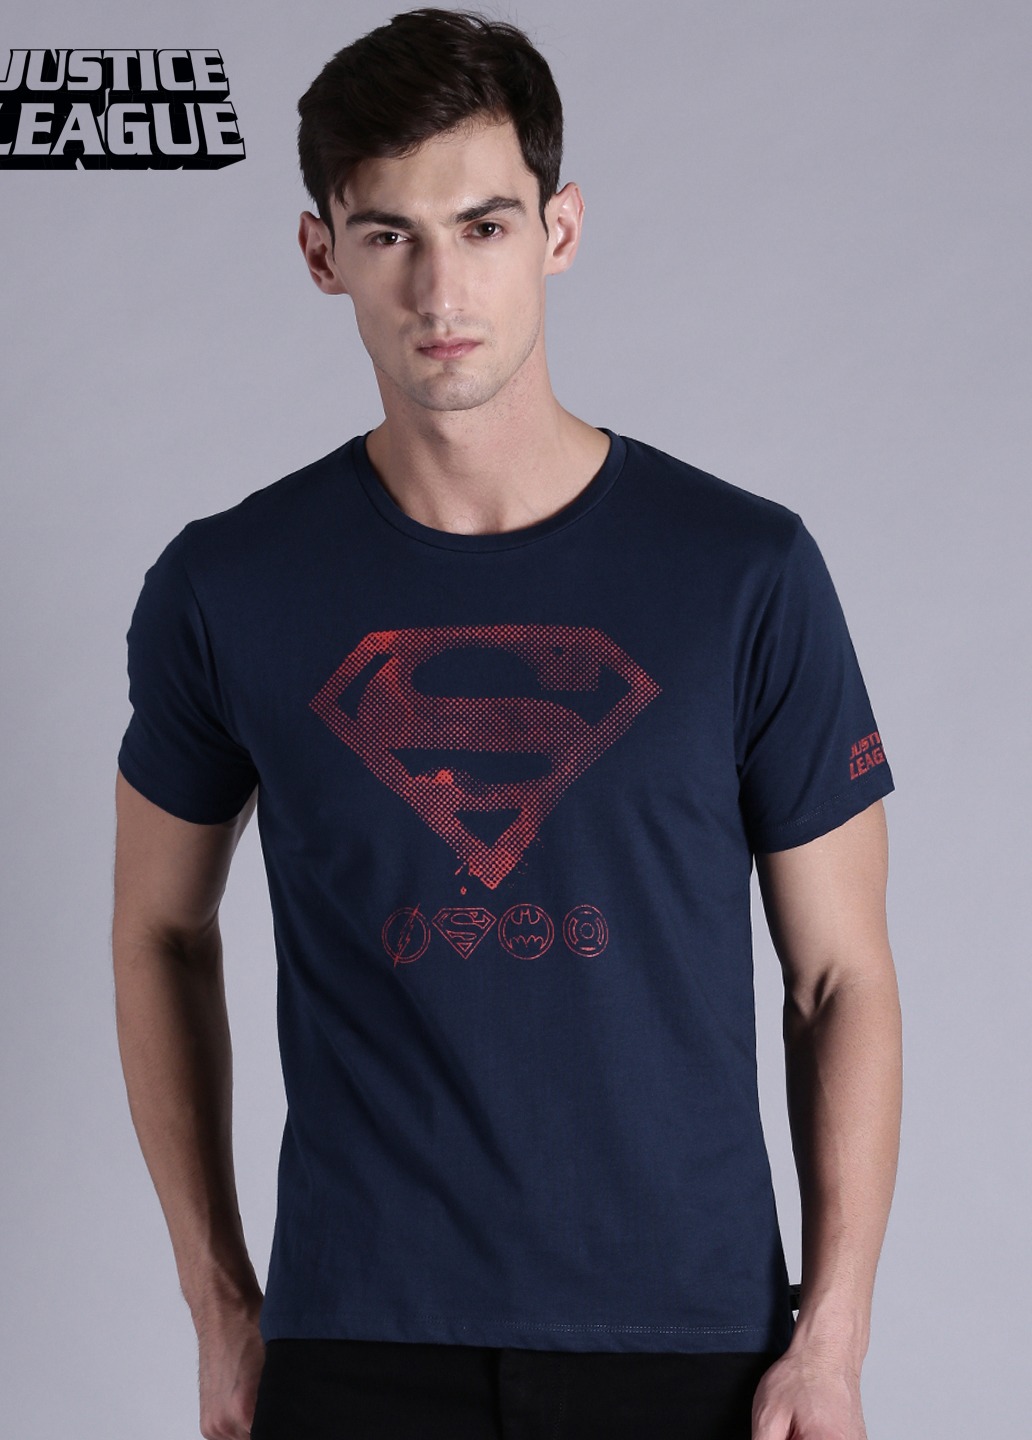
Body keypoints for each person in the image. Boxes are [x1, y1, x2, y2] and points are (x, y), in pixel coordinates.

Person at [112, 8, 902, 1439]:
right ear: (322, 255)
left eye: (483, 226)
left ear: (560, 230)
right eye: (389, 235)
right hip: (359, 1340)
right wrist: (221, 1302)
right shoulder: (229, 586)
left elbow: (840, 975)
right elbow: (158, 929)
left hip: (692, 1345)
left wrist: (831, 1338)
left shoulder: (744, 572)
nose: (440, 288)